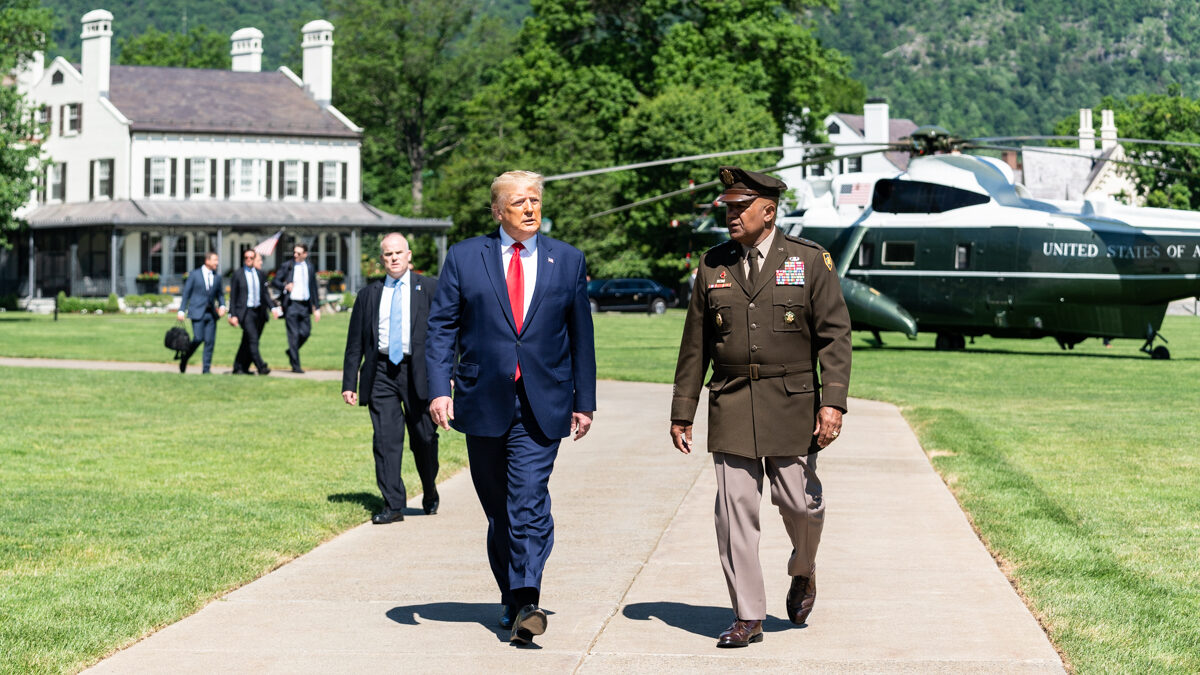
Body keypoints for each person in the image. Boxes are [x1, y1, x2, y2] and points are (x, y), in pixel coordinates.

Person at [670, 166, 852, 648]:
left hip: (792, 403)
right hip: (730, 400)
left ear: (768, 211)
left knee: (799, 503)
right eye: (727, 207)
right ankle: (748, 615)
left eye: (739, 207)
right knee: (733, 514)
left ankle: (803, 567)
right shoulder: (713, 265)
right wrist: (682, 409)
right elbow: (696, 344)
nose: (730, 215)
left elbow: (835, 336)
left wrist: (832, 402)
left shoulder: (809, 261)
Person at [426, 170, 596, 645]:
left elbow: (581, 335)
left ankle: (527, 600)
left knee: (527, 499)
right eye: (519, 202)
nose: (529, 209)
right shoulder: (464, 257)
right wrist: (440, 389)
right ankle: (510, 593)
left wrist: (585, 401)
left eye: (535, 201)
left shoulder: (567, 259)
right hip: (482, 402)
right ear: (498, 210)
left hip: (544, 402)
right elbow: (441, 329)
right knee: (500, 510)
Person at [341, 233, 440, 523]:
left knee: (423, 437)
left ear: (409, 256)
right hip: (382, 371)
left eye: (398, 253)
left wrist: (447, 375)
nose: (394, 258)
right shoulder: (369, 295)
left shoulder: (431, 288)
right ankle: (393, 504)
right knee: (385, 439)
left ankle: (429, 488)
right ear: (381, 259)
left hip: (418, 371)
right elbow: (355, 343)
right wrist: (350, 383)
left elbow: (449, 335)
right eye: (388, 254)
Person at [273, 242, 322, 373]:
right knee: (293, 336)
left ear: (305, 254)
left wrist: (316, 308)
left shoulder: (310, 267)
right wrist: (285, 286)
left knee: (306, 332)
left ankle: (291, 352)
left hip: (305, 305)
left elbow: (313, 288)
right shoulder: (287, 266)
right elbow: (275, 281)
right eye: (294, 252)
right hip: (291, 305)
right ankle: (296, 366)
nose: (295, 255)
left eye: (298, 253)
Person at [228, 249, 278, 375]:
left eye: (251, 257)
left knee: (247, 341)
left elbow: (265, 294)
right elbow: (233, 296)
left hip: (259, 312)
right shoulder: (238, 275)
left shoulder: (260, 274)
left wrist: (273, 308)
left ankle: (240, 367)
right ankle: (261, 366)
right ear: (244, 259)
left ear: (254, 258)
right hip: (246, 313)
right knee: (253, 339)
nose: (249, 259)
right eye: (246, 257)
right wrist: (232, 314)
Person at [177, 251, 227, 373]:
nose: (217, 263)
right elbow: (186, 293)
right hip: (197, 312)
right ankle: (185, 358)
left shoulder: (217, 277)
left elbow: (220, 294)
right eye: (215, 260)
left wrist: (222, 306)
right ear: (207, 261)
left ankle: (206, 369)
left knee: (210, 341)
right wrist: (182, 310)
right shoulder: (194, 275)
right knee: (198, 338)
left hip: (211, 314)